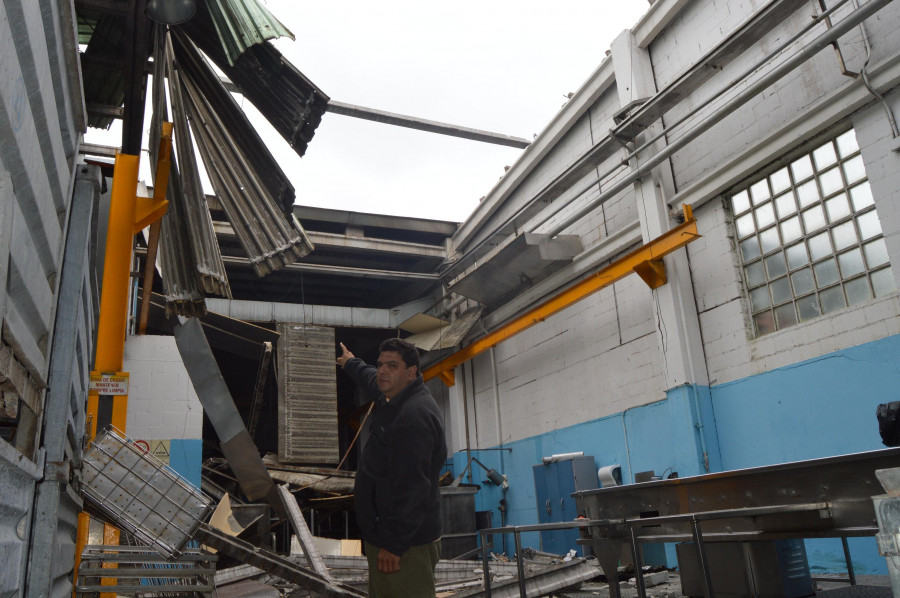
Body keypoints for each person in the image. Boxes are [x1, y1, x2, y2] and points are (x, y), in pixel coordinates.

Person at [336, 338, 447, 598]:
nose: (383, 371)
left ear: (411, 372)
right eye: (381, 364)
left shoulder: (413, 417)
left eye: (392, 366)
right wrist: (350, 362)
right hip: (387, 535)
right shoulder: (394, 395)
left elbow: (413, 489)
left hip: (406, 546)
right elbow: (370, 379)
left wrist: (394, 546)